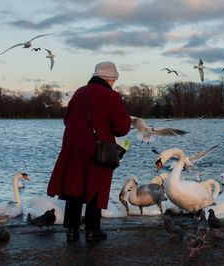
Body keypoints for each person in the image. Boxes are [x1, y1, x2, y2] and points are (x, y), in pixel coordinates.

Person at [47, 61, 131, 242]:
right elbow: (122, 128)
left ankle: (72, 231)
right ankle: (92, 231)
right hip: (97, 147)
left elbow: (66, 119)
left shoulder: (80, 92)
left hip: (73, 146)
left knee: (75, 186)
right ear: (110, 79)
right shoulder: (111, 96)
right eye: (114, 80)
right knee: (96, 186)